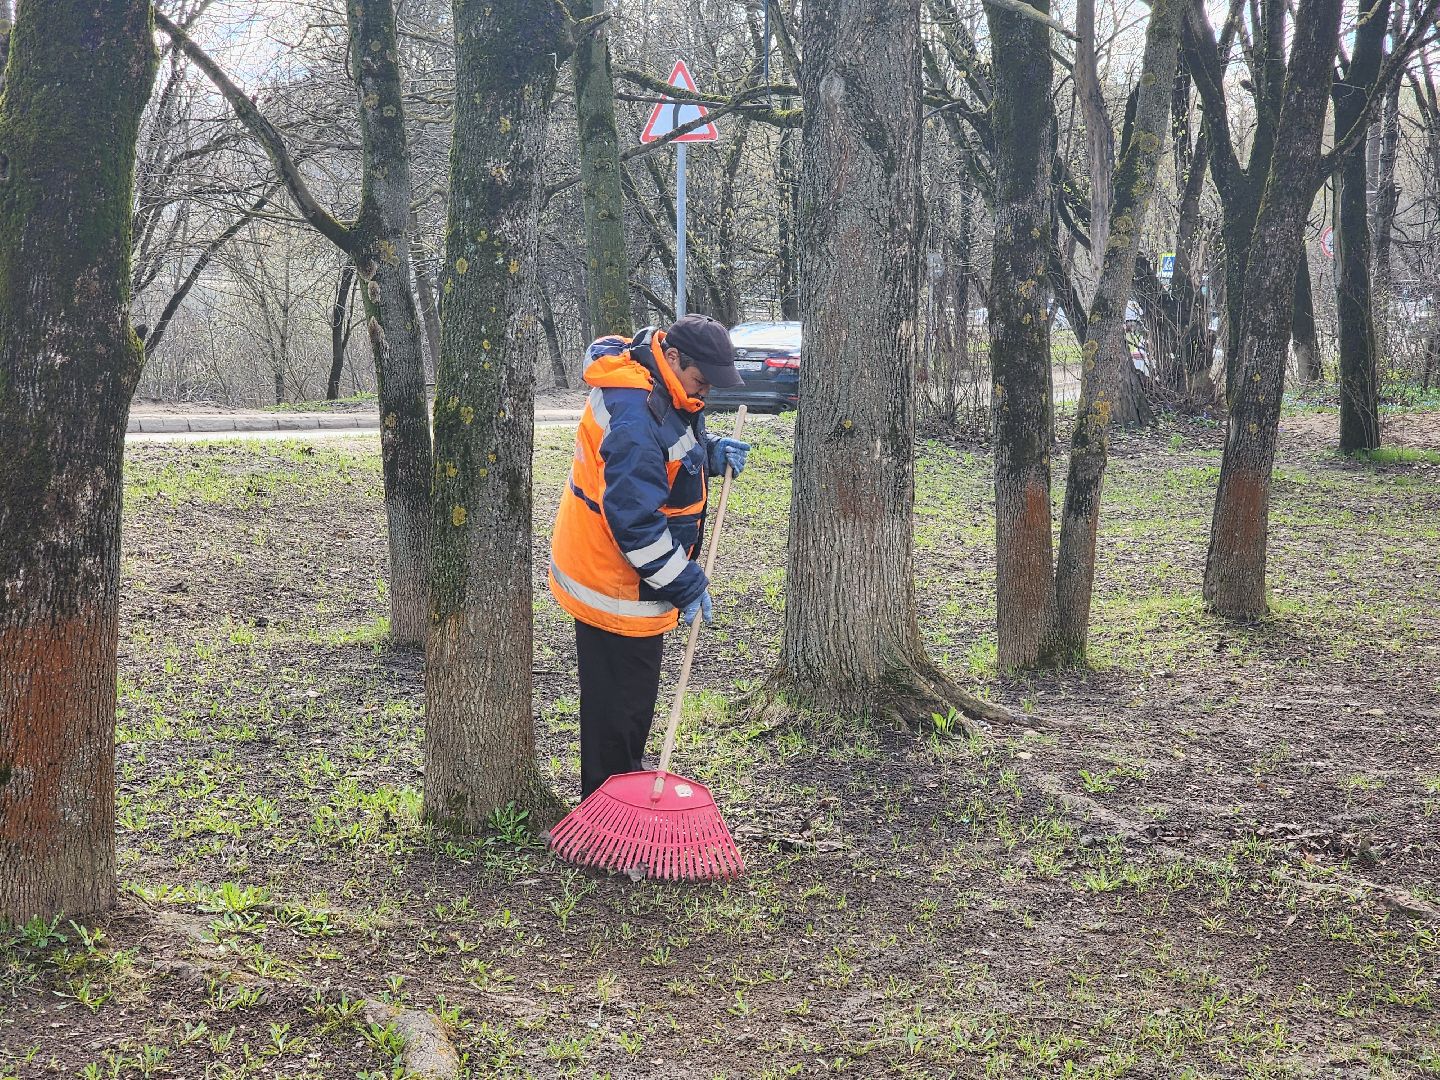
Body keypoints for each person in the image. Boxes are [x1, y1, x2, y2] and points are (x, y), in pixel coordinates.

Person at [548, 314, 751, 799]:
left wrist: (709, 451)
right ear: (675, 357)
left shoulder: (650, 377)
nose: (706, 394)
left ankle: (618, 797)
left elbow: (672, 444)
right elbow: (636, 525)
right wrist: (686, 581)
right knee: (619, 712)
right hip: (614, 583)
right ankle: (607, 815)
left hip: (622, 575)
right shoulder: (637, 416)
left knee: (627, 705)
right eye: (702, 380)